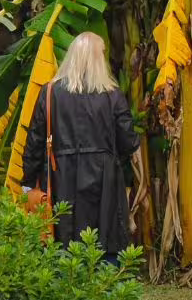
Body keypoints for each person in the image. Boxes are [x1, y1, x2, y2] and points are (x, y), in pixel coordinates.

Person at [23, 31, 139, 261]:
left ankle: (66, 290)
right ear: (99, 58)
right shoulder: (112, 95)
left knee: (62, 240)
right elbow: (128, 141)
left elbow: (35, 141)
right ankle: (104, 289)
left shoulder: (50, 92)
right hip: (104, 181)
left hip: (60, 177)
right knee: (105, 241)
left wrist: (28, 182)